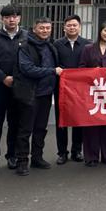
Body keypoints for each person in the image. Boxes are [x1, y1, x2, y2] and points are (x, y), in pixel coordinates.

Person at [13, 17, 63, 176]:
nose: (45, 31)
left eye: (48, 28)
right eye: (42, 28)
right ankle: (22, 161)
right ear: (34, 29)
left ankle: (37, 157)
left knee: (41, 128)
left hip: (46, 94)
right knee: (25, 129)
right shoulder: (25, 46)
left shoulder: (50, 45)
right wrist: (52, 71)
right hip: (30, 93)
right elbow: (27, 69)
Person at [0, 4, 26, 174]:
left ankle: (12, 155)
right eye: (8, 17)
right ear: (2, 19)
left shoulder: (26, 37)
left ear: (19, 18)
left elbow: (30, 59)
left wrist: (17, 78)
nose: (11, 20)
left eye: (14, 16)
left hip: (19, 86)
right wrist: (3, 77)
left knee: (15, 122)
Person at [79, 21, 106, 166]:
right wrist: (92, 71)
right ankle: (91, 157)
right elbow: (81, 68)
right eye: (105, 31)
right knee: (91, 124)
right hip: (92, 91)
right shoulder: (88, 48)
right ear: (100, 31)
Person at [52, 14, 90, 164]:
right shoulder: (56, 44)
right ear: (64, 28)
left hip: (81, 89)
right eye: (69, 25)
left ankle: (77, 150)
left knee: (78, 119)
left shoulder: (87, 44)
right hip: (61, 87)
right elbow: (53, 64)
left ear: (80, 27)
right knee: (61, 120)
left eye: (75, 25)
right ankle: (62, 152)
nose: (72, 28)